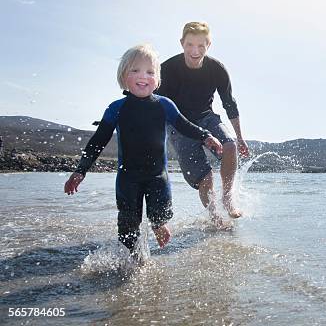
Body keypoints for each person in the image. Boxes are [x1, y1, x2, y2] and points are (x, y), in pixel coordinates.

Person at [63, 44, 223, 252]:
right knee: (128, 228)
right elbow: (98, 140)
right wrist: (80, 170)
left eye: (150, 72)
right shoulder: (116, 108)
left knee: (161, 214)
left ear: (157, 79)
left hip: (158, 176)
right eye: (135, 70)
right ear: (123, 76)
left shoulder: (164, 104)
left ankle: (158, 225)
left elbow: (184, 126)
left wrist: (206, 136)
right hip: (128, 178)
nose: (143, 76)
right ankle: (133, 261)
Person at [156, 21, 249, 223]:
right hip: (178, 124)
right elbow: (153, 103)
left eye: (201, 45)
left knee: (230, 145)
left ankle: (227, 198)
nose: (195, 51)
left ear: (209, 45)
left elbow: (229, 104)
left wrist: (240, 137)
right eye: (190, 45)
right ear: (182, 43)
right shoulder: (167, 69)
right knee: (205, 178)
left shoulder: (217, 69)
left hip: (206, 117)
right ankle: (214, 216)